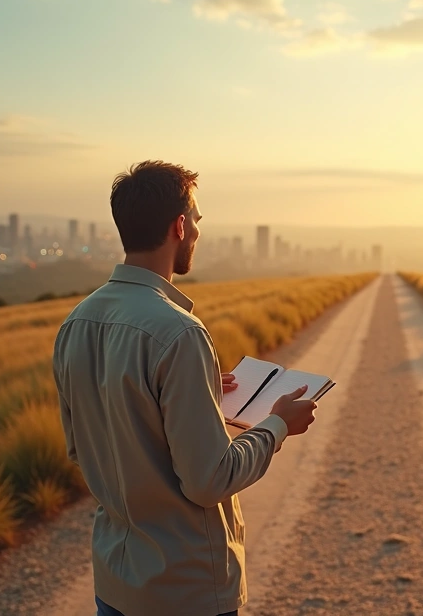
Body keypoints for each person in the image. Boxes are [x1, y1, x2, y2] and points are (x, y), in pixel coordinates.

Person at [52, 160, 318, 616]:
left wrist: (194, 392)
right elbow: (210, 480)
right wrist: (277, 425)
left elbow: (83, 448)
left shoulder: (76, 323)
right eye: (195, 219)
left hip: (115, 584)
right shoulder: (180, 333)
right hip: (185, 590)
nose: (197, 230)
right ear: (179, 226)